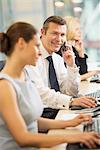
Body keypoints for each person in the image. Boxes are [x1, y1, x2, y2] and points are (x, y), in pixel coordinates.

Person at [0, 21, 99, 150]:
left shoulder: (25, 77)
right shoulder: (5, 86)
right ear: (21, 44)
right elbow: (23, 138)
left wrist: (69, 123)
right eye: (36, 46)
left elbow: (32, 121)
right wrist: (74, 137)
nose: (40, 52)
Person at [25, 16, 96, 119]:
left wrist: (71, 66)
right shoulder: (32, 57)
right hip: (40, 115)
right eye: (54, 33)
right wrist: (71, 101)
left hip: (55, 110)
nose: (59, 39)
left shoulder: (57, 59)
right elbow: (40, 92)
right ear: (43, 32)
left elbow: (70, 92)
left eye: (62, 35)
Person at [57, 16, 98, 81]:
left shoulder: (72, 49)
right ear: (68, 30)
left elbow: (82, 72)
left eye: (80, 29)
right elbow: (72, 78)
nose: (80, 32)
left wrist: (80, 52)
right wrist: (93, 73)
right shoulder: (60, 50)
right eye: (77, 29)